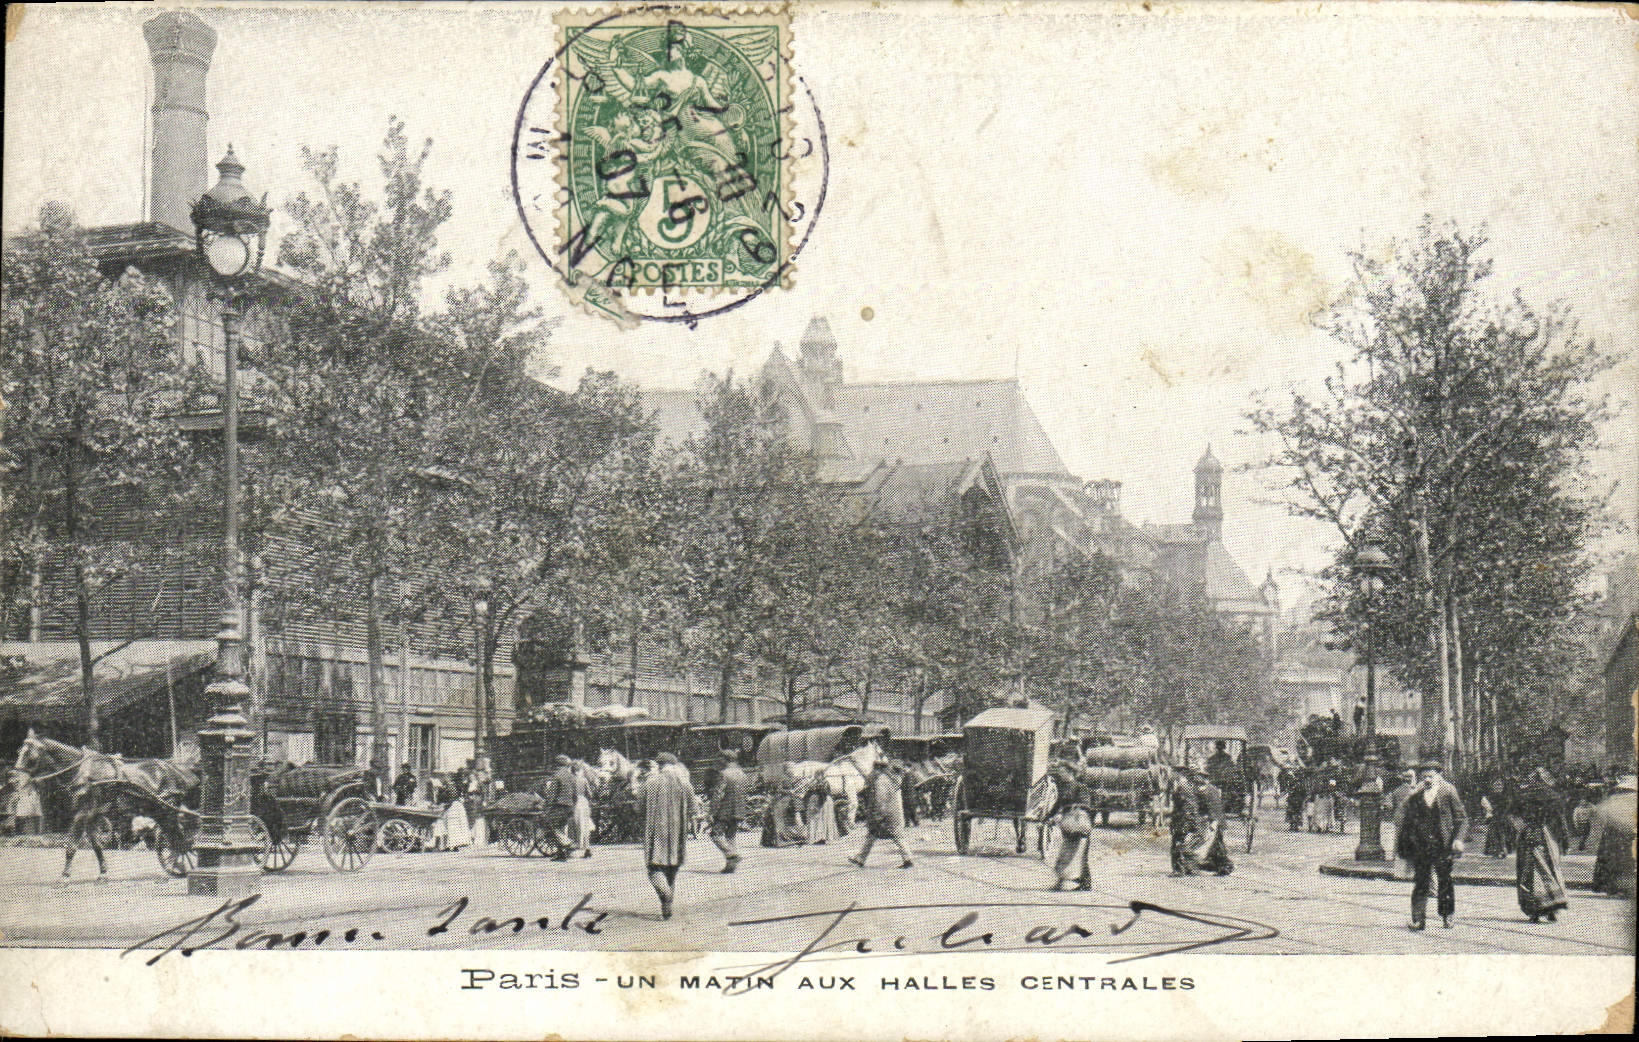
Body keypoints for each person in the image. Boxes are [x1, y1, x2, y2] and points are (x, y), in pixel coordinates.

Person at [1393, 760, 1468, 931]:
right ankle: (1418, 919)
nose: (1427, 779)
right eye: (1424, 776)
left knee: (1444, 881)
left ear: (1438, 776)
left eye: (1430, 776)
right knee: (1421, 882)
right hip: (1421, 846)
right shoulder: (1417, 795)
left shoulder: (1448, 792)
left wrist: (1458, 839)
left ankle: (1447, 915)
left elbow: (1462, 819)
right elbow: (1403, 818)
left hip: (1443, 845)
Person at [642, 752, 694, 920]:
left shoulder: (650, 782)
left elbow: (637, 807)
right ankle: (668, 902)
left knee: (654, 867)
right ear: (674, 765)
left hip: (656, 832)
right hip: (677, 833)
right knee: (672, 869)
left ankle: (665, 894)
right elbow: (693, 808)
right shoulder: (684, 782)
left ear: (659, 765)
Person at [1515, 767, 1570, 924]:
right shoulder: (1551, 795)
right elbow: (1560, 820)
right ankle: (1553, 908)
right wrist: (1565, 840)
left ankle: (1534, 910)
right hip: (1546, 836)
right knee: (1551, 869)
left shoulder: (1522, 795)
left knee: (1529, 871)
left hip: (1527, 836)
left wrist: (1522, 828)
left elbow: (1511, 815)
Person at [850, 759, 913, 869]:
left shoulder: (882, 780)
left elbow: (880, 799)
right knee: (873, 835)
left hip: (886, 814)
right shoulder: (894, 779)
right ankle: (860, 858)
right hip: (894, 812)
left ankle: (908, 859)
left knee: (895, 835)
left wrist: (878, 814)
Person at [1590, 775, 1636, 898]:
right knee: (1625, 862)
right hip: (1624, 836)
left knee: (1616, 862)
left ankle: (1615, 888)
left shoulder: (1614, 799)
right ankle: (1621, 889)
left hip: (1615, 836)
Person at [1048, 765, 1093, 891]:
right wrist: (1049, 817)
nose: (1061, 774)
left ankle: (1081, 882)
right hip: (1068, 825)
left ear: (1070, 772)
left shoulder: (1080, 787)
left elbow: (1085, 805)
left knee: (1077, 854)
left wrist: (1069, 810)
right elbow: (1057, 805)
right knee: (1068, 853)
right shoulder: (1063, 788)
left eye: (1063, 771)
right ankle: (1081, 881)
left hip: (1079, 824)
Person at [710, 750, 748, 873]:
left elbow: (718, 795)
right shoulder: (742, 773)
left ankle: (732, 854)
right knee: (730, 836)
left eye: (720, 758)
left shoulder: (723, 774)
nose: (718, 761)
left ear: (725, 759)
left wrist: (712, 812)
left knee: (715, 835)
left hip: (725, 810)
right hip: (739, 809)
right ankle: (730, 866)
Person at [1194, 770, 1235, 876]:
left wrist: (1213, 822)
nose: (1198, 780)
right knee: (1216, 845)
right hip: (1216, 820)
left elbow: (1214, 808)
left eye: (1200, 778)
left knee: (1217, 845)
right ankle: (1219, 866)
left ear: (1205, 779)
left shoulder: (1209, 791)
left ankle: (1225, 866)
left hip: (1215, 821)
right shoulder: (1210, 790)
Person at [542, 755, 579, 859]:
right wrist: (573, 806)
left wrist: (546, 807)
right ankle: (561, 853)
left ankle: (567, 843)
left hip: (559, 806)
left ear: (557, 765)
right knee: (561, 827)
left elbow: (551, 795)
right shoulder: (572, 776)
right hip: (570, 806)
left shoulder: (556, 776)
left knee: (550, 825)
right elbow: (575, 794)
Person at [1169, 771, 1200, 877]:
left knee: (1178, 845)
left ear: (1180, 776)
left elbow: (1181, 804)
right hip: (1186, 820)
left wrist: (1174, 791)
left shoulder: (1182, 787)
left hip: (1182, 821)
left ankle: (1179, 870)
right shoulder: (1188, 787)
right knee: (1185, 844)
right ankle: (1191, 869)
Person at [1482, 777, 1514, 858]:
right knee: (1494, 834)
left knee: (1503, 833)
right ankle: (1497, 850)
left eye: (1500, 785)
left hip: (1503, 818)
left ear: (1503, 786)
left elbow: (1508, 807)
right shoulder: (1490, 796)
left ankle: (1503, 849)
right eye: (1496, 785)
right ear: (1492, 786)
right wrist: (1488, 811)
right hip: (1495, 818)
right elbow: (1487, 808)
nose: (1498, 787)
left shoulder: (1506, 796)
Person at [571, 759, 596, 859]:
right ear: (577, 771)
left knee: (577, 824)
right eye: (581, 770)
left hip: (576, 803)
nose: (582, 772)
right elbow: (590, 794)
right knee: (585, 824)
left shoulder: (572, 780)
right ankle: (587, 847)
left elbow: (572, 794)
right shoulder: (584, 780)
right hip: (584, 802)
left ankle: (579, 846)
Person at [6, 769, 41, 836]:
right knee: (20, 817)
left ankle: (31, 834)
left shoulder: (25, 777)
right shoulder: (19, 779)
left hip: (28, 801)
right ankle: (17, 833)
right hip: (22, 801)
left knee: (29, 817)